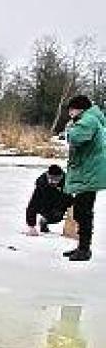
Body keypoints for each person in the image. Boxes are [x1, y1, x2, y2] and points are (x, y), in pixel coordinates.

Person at [61, 95, 106, 262]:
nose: (70, 113)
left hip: (89, 173)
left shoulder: (88, 120)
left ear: (79, 109)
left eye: (71, 110)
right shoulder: (93, 118)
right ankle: (82, 246)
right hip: (89, 171)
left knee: (83, 212)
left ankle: (84, 249)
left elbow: (75, 137)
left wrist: (69, 128)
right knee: (82, 211)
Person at [24, 165, 72, 236]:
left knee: (57, 216)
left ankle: (45, 221)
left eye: (56, 179)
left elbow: (71, 200)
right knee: (35, 205)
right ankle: (44, 219)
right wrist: (31, 226)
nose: (53, 182)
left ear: (61, 177)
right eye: (51, 179)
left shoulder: (67, 183)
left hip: (58, 206)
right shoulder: (41, 184)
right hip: (44, 206)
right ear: (47, 176)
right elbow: (32, 205)